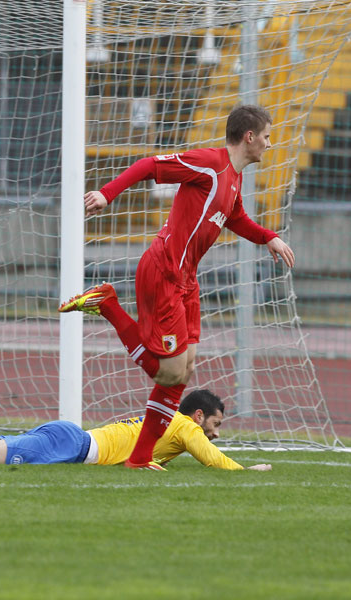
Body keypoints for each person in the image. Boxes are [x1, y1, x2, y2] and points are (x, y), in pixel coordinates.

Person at [57, 104, 295, 470]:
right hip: (163, 272)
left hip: (187, 279)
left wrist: (268, 238)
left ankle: (139, 459)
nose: (268, 142)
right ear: (249, 137)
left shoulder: (234, 178)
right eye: (266, 135)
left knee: (183, 371)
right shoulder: (208, 164)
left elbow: (236, 217)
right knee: (165, 373)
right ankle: (108, 305)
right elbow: (150, 165)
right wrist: (107, 193)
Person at [0, 388, 272, 472]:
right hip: (70, 444)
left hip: (70, 441)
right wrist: (244, 470)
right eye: (214, 425)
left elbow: (139, 451)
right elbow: (212, 459)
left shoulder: (168, 425)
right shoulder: (184, 424)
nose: (214, 434)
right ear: (199, 417)